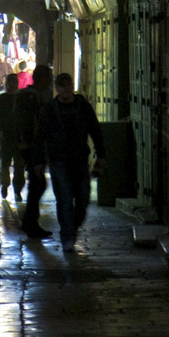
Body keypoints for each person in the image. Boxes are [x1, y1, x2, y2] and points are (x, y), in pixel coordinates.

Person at [36, 73, 106, 253]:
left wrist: (101, 156)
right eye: (61, 86)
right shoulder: (51, 109)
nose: (65, 90)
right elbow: (40, 136)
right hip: (59, 160)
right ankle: (67, 236)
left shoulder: (82, 106)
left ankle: (71, 228)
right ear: (57, 88)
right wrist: (39, 160)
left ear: (72, 86)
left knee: (83, 198)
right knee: (65, 198)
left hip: (80, 159)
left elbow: (95, 130)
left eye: (68, 86)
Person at [15, 63, 54, 239]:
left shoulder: (33, 96)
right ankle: (30, 223)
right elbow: (31, 125)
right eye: (49, 78)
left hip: (33, 146)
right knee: (37, 183)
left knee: (36, 183)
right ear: (43, 79)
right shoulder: (32, 98)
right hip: (32, 146)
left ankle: (30, 222)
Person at [0, 72, 24, 199]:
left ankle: (17, 190)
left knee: (19, 165)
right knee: (4, 163)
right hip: (5, 136)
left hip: (19, 136)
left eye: (13, 82)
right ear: (5, 83)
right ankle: (4, 185)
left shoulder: (22, 98)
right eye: (9, 82)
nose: (11, 85)